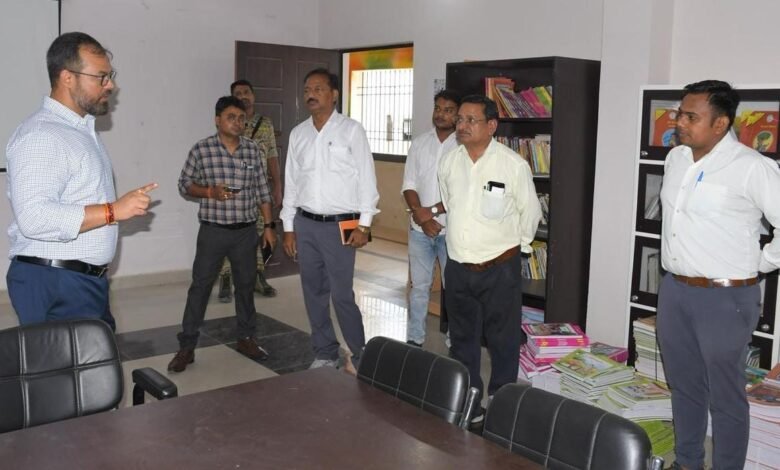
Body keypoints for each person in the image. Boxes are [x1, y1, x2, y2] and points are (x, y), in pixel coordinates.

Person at [656, 80, 780, 470]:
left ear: (721, 123)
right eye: (680, 113)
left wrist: (761, 263)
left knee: (726, 396)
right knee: (684, 386)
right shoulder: (676, 158)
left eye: (691, 117)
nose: (680, 122)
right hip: (675, 290)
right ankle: (687, 462)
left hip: (725, 297)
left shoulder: (752, 167)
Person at [5, 32, 156, 329]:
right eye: (101, 77)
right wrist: (113, 211)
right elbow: (34, 217)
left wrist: (116, 208)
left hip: (79, 281)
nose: (110, 85)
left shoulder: (80, 130)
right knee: (64, 361)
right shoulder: (42, 135)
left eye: (110, 76)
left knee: (96, 357)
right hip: (55, 283)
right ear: (67, 78)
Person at [438, 95, 541, 423]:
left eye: (471, 120)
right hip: (458, 266)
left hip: (500, 268)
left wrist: (514, 249)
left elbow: (530, 213)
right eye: (460, 119)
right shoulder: (449, 162)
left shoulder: (513, 165)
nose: (462, 125)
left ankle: (501, 403)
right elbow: (449, 204)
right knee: (462, 340)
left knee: (503, 340)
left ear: (492, 126)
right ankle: (470, 402)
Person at [168, 96, 276, 373]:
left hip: (245, 233)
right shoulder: (202, 149)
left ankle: (246, 338)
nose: (237, 123)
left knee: (246, 287)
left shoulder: (252, 150)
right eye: (231, 117)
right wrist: (208, 192)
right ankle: (187, 346)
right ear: (218, 120)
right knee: (200, 287)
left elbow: (262, 190)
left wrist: (270, 226)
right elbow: (184, 184)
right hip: (213, 232)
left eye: (241, 118)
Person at [281, 68, 379, 373]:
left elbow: (367, 178)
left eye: (318, 89)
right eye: (307, 90)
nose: (310, 94)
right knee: (313, 292)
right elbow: (291, 183)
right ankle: (324, 351)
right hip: (306, 223)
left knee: (341, 294)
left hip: (342, 224)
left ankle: (361, 356)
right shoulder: (298, 134)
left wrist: (364, 224)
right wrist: (288, 227)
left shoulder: (351, 130)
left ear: (334, 94)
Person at [402, 89, 460, 347]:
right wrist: (421, 216)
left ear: (458, 114)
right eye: (438, 108)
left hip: (453, 233)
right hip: (419, 231)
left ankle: (455, 340)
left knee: (454, 289)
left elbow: (462, 192)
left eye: (448, 110)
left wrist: (432, 212)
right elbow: (409, 185)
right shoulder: (419, 143)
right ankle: (415, 338)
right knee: (419, 288)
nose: (441, 114)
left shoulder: (463, 146)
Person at [217, 79, 282, 302]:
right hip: (232, 189)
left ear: (253, 96)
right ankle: (226, 278)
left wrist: (277, 185)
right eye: (238, 93)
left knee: (259, 231)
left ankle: (258, 275)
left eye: (246, 92)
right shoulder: (229, 122)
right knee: (228, 232)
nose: (243, 96)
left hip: (258, 189)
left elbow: (272, 154)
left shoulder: (265, 124)